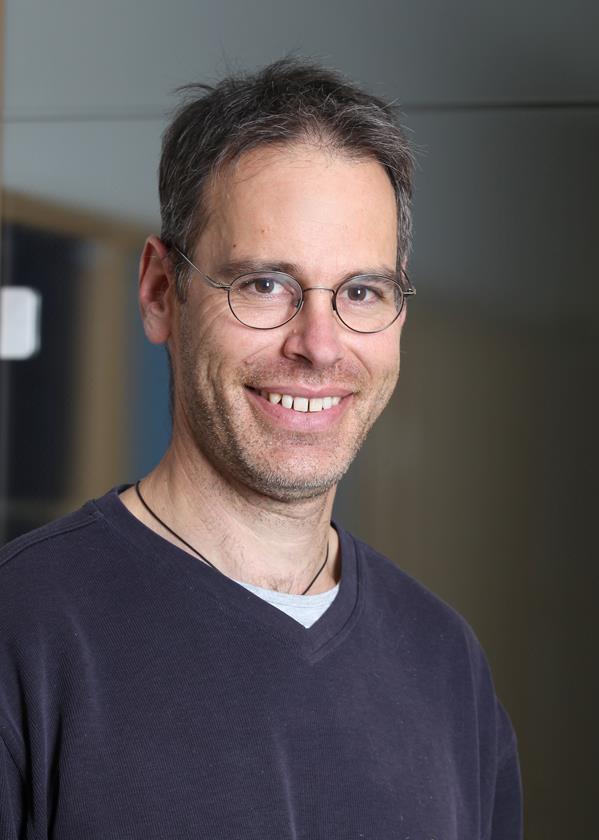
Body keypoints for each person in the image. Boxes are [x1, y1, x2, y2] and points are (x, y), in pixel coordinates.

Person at [0, 59, 522, 839]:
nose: (319, 345)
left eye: (361, 292)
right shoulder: (26, 629)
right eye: (266, 284)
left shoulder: (444, 661)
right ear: (160, 292)